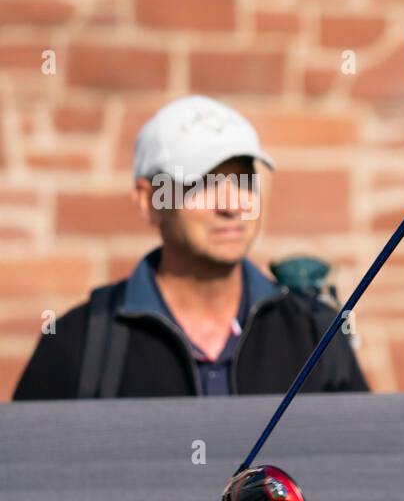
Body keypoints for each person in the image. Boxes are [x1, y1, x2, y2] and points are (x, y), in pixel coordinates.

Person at [13, 95, 368, 399]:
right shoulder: (79, 344)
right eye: (203, 183)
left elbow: (368, 470)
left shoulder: (315, 335)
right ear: (149, 199)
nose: (232, 205)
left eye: (244, 180)